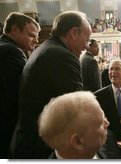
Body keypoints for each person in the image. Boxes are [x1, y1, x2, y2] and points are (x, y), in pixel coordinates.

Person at [9, 11, 92, 159]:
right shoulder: (62, 56)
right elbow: (79, 107)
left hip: (27, 142)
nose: (86, 47)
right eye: (87, 40)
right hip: (39, 148)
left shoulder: (47, 48)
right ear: (73, 33)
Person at [0, 12, 40, 158]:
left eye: (36, 36)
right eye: (31, 35)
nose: (36, 40)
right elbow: (23, 91)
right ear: (15, 30)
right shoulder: (11, 51)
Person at [38, 91, 111, 159]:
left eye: (104, 116)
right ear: (78, 142)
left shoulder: (109, 140)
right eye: (100, 123)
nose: (107, 123)